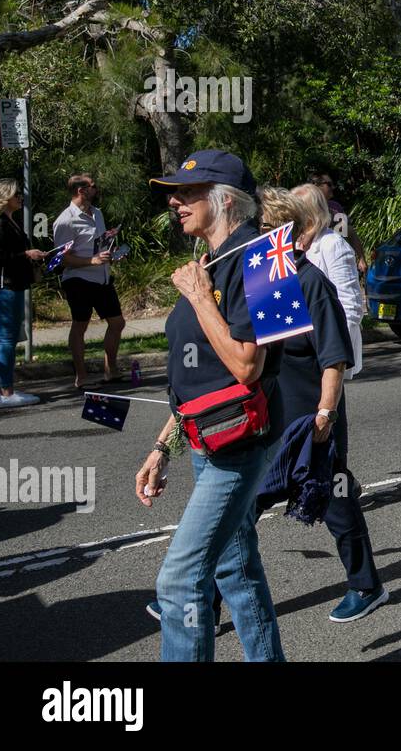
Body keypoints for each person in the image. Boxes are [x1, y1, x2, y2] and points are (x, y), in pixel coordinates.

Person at [134, 151, 285, 661]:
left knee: (178, 583)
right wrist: (162, 447)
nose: (174, 201)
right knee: (234, 569)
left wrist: (201, 299)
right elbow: (197, 379)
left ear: (224, 200)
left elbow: (246, 367)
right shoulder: (207, 262)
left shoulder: (263, 258)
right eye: (174, 192)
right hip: (204, 436)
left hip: (240, 443)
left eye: (187, 192)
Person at [257, 187, 386, 620]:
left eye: (259, 231)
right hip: (270, 418)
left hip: (313, 416)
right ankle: (204, 597)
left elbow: (333, 357)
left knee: (334, 496)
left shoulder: (311, 281)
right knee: (243, 508)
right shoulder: (264, 280)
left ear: (280, 233)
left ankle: (366, 585)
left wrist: (325, 414)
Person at [53, 173, 126, 389]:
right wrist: (91, 261)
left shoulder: (97, 213)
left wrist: (111, 254)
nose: (96, 189)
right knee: (80, 325)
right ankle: (81, 377)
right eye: (93, 186)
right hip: (78, 278)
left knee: (117, 322)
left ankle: (110, 370)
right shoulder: (65, 220)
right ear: (81, 190)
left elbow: (100, 246)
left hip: (101, 277)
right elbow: (62, 258)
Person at [292, 183, 364, 379]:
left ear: (308, 214)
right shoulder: (294, 244)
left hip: (327, 353)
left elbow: (350, 307)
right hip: (301, 355)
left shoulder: (333, 245)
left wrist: (334, 361)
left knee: (329, 408)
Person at [0, 178, 47, 408]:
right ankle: (6, 391)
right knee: (7, 338)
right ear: (5, 197)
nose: (20, 198)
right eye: (16, 194)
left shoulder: (9, 221)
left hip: (13, 284)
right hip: (6, 286)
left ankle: (0, 388)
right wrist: (27, 255)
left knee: (6, 337)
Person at [308, 171, 367, 274]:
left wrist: (361, 258)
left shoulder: (336, 207)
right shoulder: (305, 208)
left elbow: (347, 233)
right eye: (329, 184)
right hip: (314, 263)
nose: (333, 187)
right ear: (316, 186)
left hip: (337, 262)